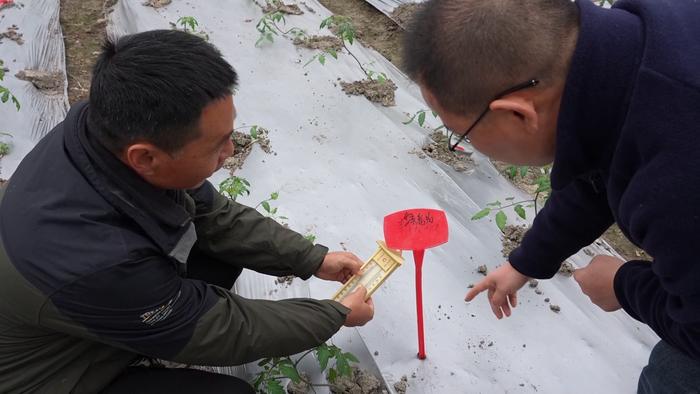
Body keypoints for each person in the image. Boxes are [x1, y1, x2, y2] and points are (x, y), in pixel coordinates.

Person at [0, 29, 374, 394]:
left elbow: (214, 215)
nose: (230, 153)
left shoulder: (103, 127)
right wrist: (333, 314)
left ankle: (141, 328)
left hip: (77, 313)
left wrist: (313, 259)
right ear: (145, 157)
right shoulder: (97, 260)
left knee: (218, 256)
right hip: (44, 375)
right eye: (217, 145)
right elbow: (219, 329)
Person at [403, 0, 700, 392]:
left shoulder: (673, 180)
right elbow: (597, 164)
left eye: (463, 134)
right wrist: (526, 262)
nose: (467, 145)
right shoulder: (633, 52)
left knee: (674, 375)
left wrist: (623, 286)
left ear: (519, 114)